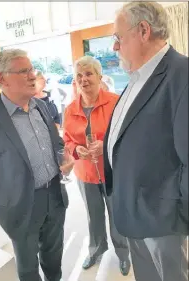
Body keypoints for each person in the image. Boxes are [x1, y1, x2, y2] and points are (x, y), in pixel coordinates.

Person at [103, 2, 188, 281]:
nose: (114, 47)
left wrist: (178, 217)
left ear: (143, 30)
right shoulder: (136, 76)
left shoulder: (182, 75)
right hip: (132, 212)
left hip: (161, 219)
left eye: (118, 38)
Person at [0, 49, 74, 281]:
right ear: (1, 78)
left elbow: (57, 142)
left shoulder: (40, 106)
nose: (33, 75)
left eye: (32, 69)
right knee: (28, 268)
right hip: (18, 206)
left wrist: (67, 156)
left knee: (53, 257)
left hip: (54, 196)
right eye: (24, 71)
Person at [63, 56, 130, 275]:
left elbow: (128, 134)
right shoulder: (70, 109)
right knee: (93, 216)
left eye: (89, 74)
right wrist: (76, 150)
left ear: (100, 77)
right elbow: (67, 139)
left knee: (117, 214)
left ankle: (122, 253)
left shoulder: (115, 101)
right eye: (79, 75)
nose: (84, 79)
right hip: (86, 173)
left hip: (113, 171)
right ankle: (96, 250)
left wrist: (106, 144)